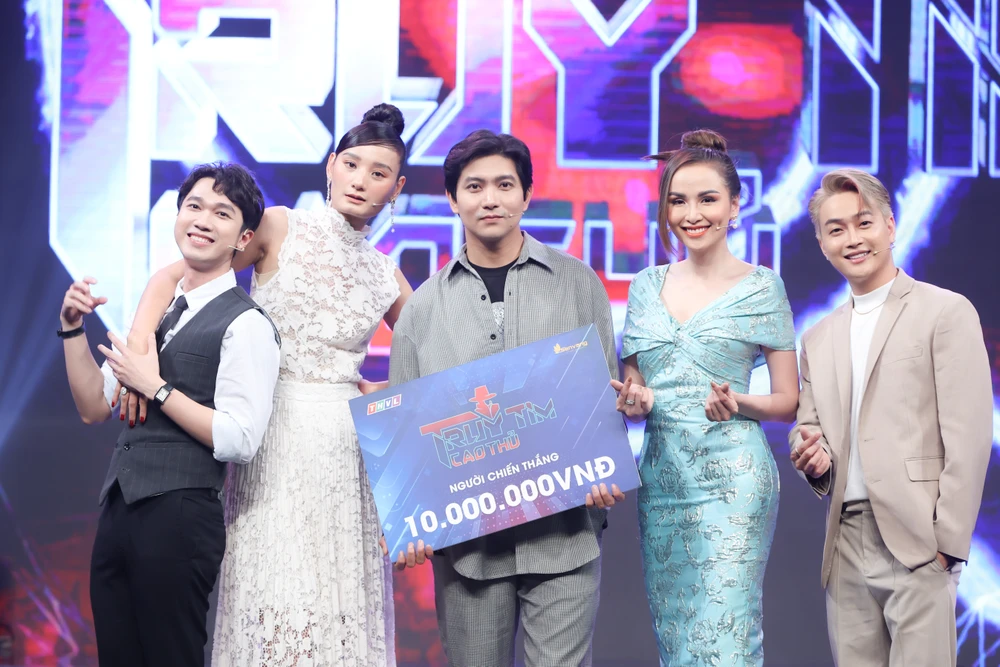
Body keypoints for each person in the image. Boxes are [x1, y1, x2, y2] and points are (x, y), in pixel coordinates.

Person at [125, 104, 417, 666]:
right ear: (331, 166)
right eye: (351, 164)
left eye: (378, 173)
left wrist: (382, 389)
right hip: (272, 432)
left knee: (336, 598)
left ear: (397, 188)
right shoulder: (281, 225)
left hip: (344, 452)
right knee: (274, 589)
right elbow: (179, 273)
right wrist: (142, 346)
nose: (360, 180)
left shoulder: (387, 273)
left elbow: (433, 353)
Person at [388, 129, 625, 667]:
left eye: (504, 185)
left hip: (566, 531)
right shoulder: (421, 311)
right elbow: (406, 439)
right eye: (474, 187)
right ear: (453, 199)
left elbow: (601, 397)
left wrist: (605, 464)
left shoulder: (577, 283)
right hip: (467, 550)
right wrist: (411, 520)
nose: (490, 199)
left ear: (526, 194)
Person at [59, 162, 280, 666]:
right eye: (194, 206)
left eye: (222, 213)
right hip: (119, 509)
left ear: (243, 238)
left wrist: (156, 388)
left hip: (181, 517)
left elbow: (240, 438)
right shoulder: (154, 313)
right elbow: (94, 405)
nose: (203, 220)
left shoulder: (246, 324)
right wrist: (71, 328)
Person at [788, 168, 992, 667]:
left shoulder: (945, 312)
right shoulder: (817, 338)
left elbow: (969, 434)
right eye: (836, 229)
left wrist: (947, 544)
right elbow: (808, 427)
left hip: (918, 538)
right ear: (822, 244)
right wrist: (810, 455)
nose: (853, 239)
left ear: (890, 226)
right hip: (845, 542)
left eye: (864, 223)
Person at [616, 130, 799, 665]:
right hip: (662, 480)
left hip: (733, 480)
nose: (691, 214)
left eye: (707, 199)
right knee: (677, 635)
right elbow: (635, 388)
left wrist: (740, 402)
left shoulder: (762, 286)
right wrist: (635, 403)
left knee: (726, 632)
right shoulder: (645, 285)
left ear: (735, 206)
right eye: (678, 201)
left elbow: (788, 399)